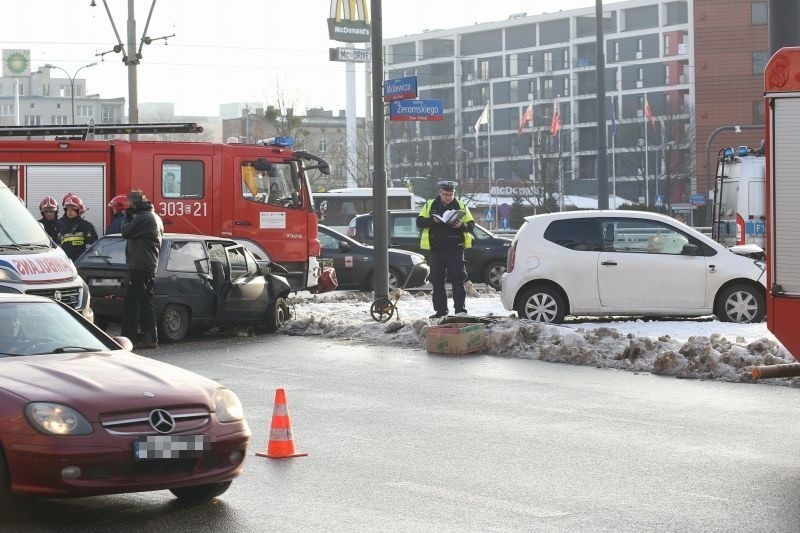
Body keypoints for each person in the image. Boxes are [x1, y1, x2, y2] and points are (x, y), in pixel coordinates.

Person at [416, 180, 475, 319]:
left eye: (451, 194)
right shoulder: (430, 204)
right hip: (436, 249)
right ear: (440, 193)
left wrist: (461, 225)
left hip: (455, 248)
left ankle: (460, 310)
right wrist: (433, 221)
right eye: (445, 194)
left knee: (458, 279)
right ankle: (441, 311)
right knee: (437, 281)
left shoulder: (461, 205)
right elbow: (419, 222)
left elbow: (471, 225)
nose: (448, 197)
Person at [121, 190, 164, 350]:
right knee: (146, 303)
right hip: (148, 265)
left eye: (130, 204)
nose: (128, 206)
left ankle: (127, 339)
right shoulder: (154, 217)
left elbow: (125, 231)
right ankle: (150, 338)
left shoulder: (144, 218)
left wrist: (126, 216)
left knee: (132, 303)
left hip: (139, 266)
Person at [56, 193, 98, 262]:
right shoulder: (59, 224)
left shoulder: (87, 226)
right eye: (67, 209)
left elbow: (92, 249)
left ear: (79, 210)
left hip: (81, 263)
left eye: (73, 209)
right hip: (65, 262)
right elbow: (58, 245)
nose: (69, 211)